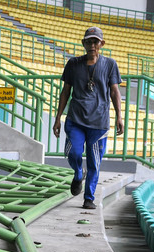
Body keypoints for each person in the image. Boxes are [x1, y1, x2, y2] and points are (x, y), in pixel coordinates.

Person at [53, 26, 124, 209]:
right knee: (73, 152)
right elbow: (65, 92)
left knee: (94, 161)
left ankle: (89, 198)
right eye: (89, 41)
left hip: (99, 123)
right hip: (75, 119)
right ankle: (78, 174)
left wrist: (119, 116)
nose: (92, 45)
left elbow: (115, 92)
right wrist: (58, 117)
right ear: (83, 43)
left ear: (102, 43)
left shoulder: (110, 64)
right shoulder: (73, 64)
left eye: (95, 41)